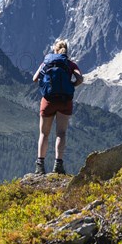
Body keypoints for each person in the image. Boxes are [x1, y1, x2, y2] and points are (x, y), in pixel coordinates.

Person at [32, 39, 83, 175]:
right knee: (61, 133)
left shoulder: (46, 61)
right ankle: (58, 165)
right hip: (65, 101)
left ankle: (40, 165)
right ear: (66, 51)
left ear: (54, 50)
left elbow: (35, 78)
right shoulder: (70, 64)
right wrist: (70, 85)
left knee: (44, 133)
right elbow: (80, 79)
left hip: (48, 100)